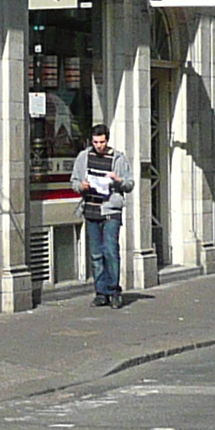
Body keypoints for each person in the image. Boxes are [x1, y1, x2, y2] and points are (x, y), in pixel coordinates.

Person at [75, 123, 132, 307]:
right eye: (95, 142)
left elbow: (130, 184)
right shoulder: (84, 157)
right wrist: (80, 186)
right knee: (96, 254)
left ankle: (114, 290)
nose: (98, 145)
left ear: (107, 141)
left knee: (110, 250)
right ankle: (101, 293)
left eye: (102, 142)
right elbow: (74, 181)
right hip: (91, 210)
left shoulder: (118, 158)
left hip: (110, 211)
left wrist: (118, 180)